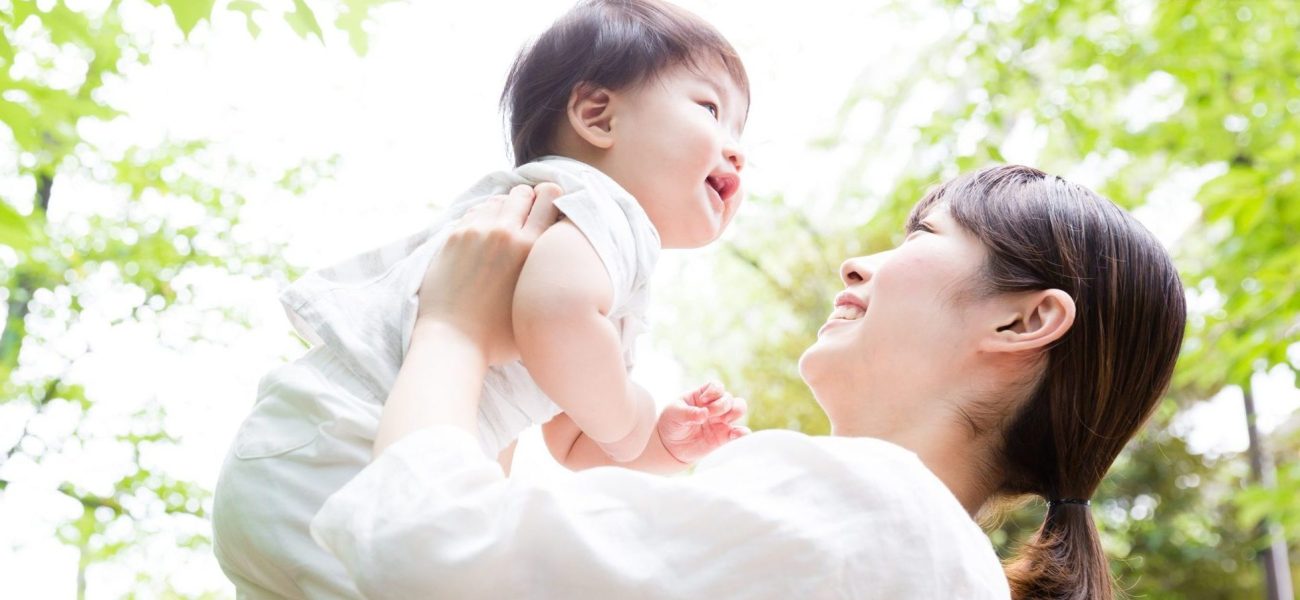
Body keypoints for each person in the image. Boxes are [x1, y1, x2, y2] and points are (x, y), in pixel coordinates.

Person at [310, 165, 1187, 599]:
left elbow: (424, 547)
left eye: (923, 236)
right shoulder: (922, 560)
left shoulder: (872, 509)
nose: (857, 262)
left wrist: (453, 325)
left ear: (1024, 320)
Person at [214, 1, 751, 596]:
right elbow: (555, 314)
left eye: (739, 131)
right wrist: (632, 421)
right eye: (710, 109)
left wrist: (660, 445)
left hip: (303, 458)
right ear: (598, 116)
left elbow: (571, 442)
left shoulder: (574, 240)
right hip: (348, 455)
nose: (736, 149)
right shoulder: (609, 208)